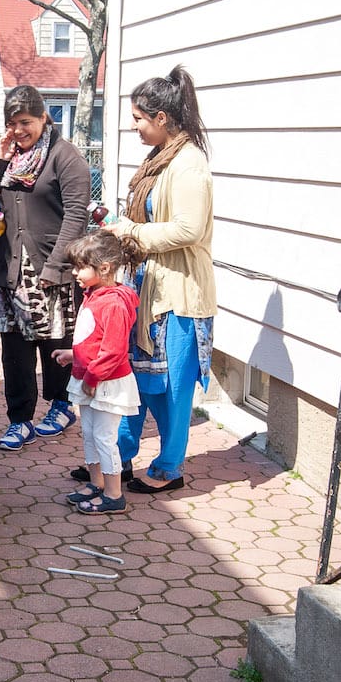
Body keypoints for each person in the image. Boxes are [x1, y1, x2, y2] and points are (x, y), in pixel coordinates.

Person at [105, 66, 216, 495]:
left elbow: (188, 229)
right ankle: (120, 457)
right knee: (138, 376)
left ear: (162, 119)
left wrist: (131, 233)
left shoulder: (189, 165)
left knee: (171, 386)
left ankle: (170, 466)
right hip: (147, 287)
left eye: (138, 118)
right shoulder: (159, 160)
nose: (133, 126)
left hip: (178, 294)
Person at [0, 85, 91, 451]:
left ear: (43, 117)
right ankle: (19, 419)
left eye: (25, 122)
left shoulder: (65, 156)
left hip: (50, 267)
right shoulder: (11, 157)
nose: (19, 130)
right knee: (14, 349)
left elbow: (76, 214)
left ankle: (61, 405)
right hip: (9, 268)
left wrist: (57, 265)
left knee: (55, 344)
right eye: (12, 124)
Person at [51, 231, 141, 514]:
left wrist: (91, 376)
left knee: (103, 437)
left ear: (104, 268)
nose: (76, 273)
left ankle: (114, 495)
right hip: (91, 379)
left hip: (105, 383)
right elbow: (93, 340)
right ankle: (96, 482)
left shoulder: (114, 303)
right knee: (89, 433)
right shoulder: (95, 294)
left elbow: (113, 351)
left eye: (81, 267)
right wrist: (74, 355)